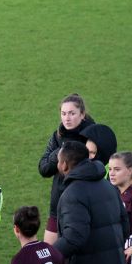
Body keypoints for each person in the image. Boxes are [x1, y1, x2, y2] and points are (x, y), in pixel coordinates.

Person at [38, 93, 95, 245]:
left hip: (83, 206)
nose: (67, 118)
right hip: (58, 204)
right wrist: (59, 152)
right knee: (50, 255)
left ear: (82, 114)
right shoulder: (58, 136)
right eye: (63, 113)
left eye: (72, 113)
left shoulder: (93, 138)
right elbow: (43, 169)